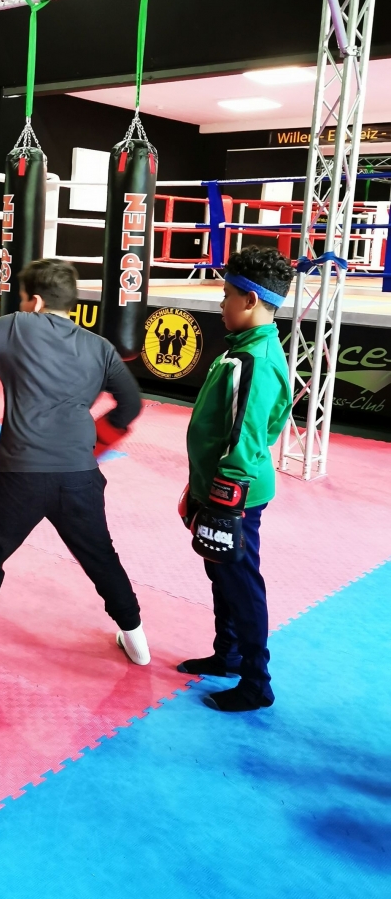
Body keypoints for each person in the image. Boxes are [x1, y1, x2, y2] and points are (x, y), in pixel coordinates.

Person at [0, 258, 149, 678]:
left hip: (20, 475)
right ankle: (138, 643)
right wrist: (95, 444)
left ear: (35, 301)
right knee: (102, 557)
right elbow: (131, 405)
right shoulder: (100, 346)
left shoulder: (18, 326)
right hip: (79, 476)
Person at [176, 245, 294, 712]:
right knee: (221, 573)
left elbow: (247, 437)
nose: (221, 303)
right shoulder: (244, 348)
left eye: (226, 294)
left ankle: (256, 682)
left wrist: (224, 499)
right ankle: (227, 654)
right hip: (217, 487)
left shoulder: (255, 360)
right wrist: (199, 487)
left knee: (241, 583)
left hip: (237, 495)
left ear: (250, 299)